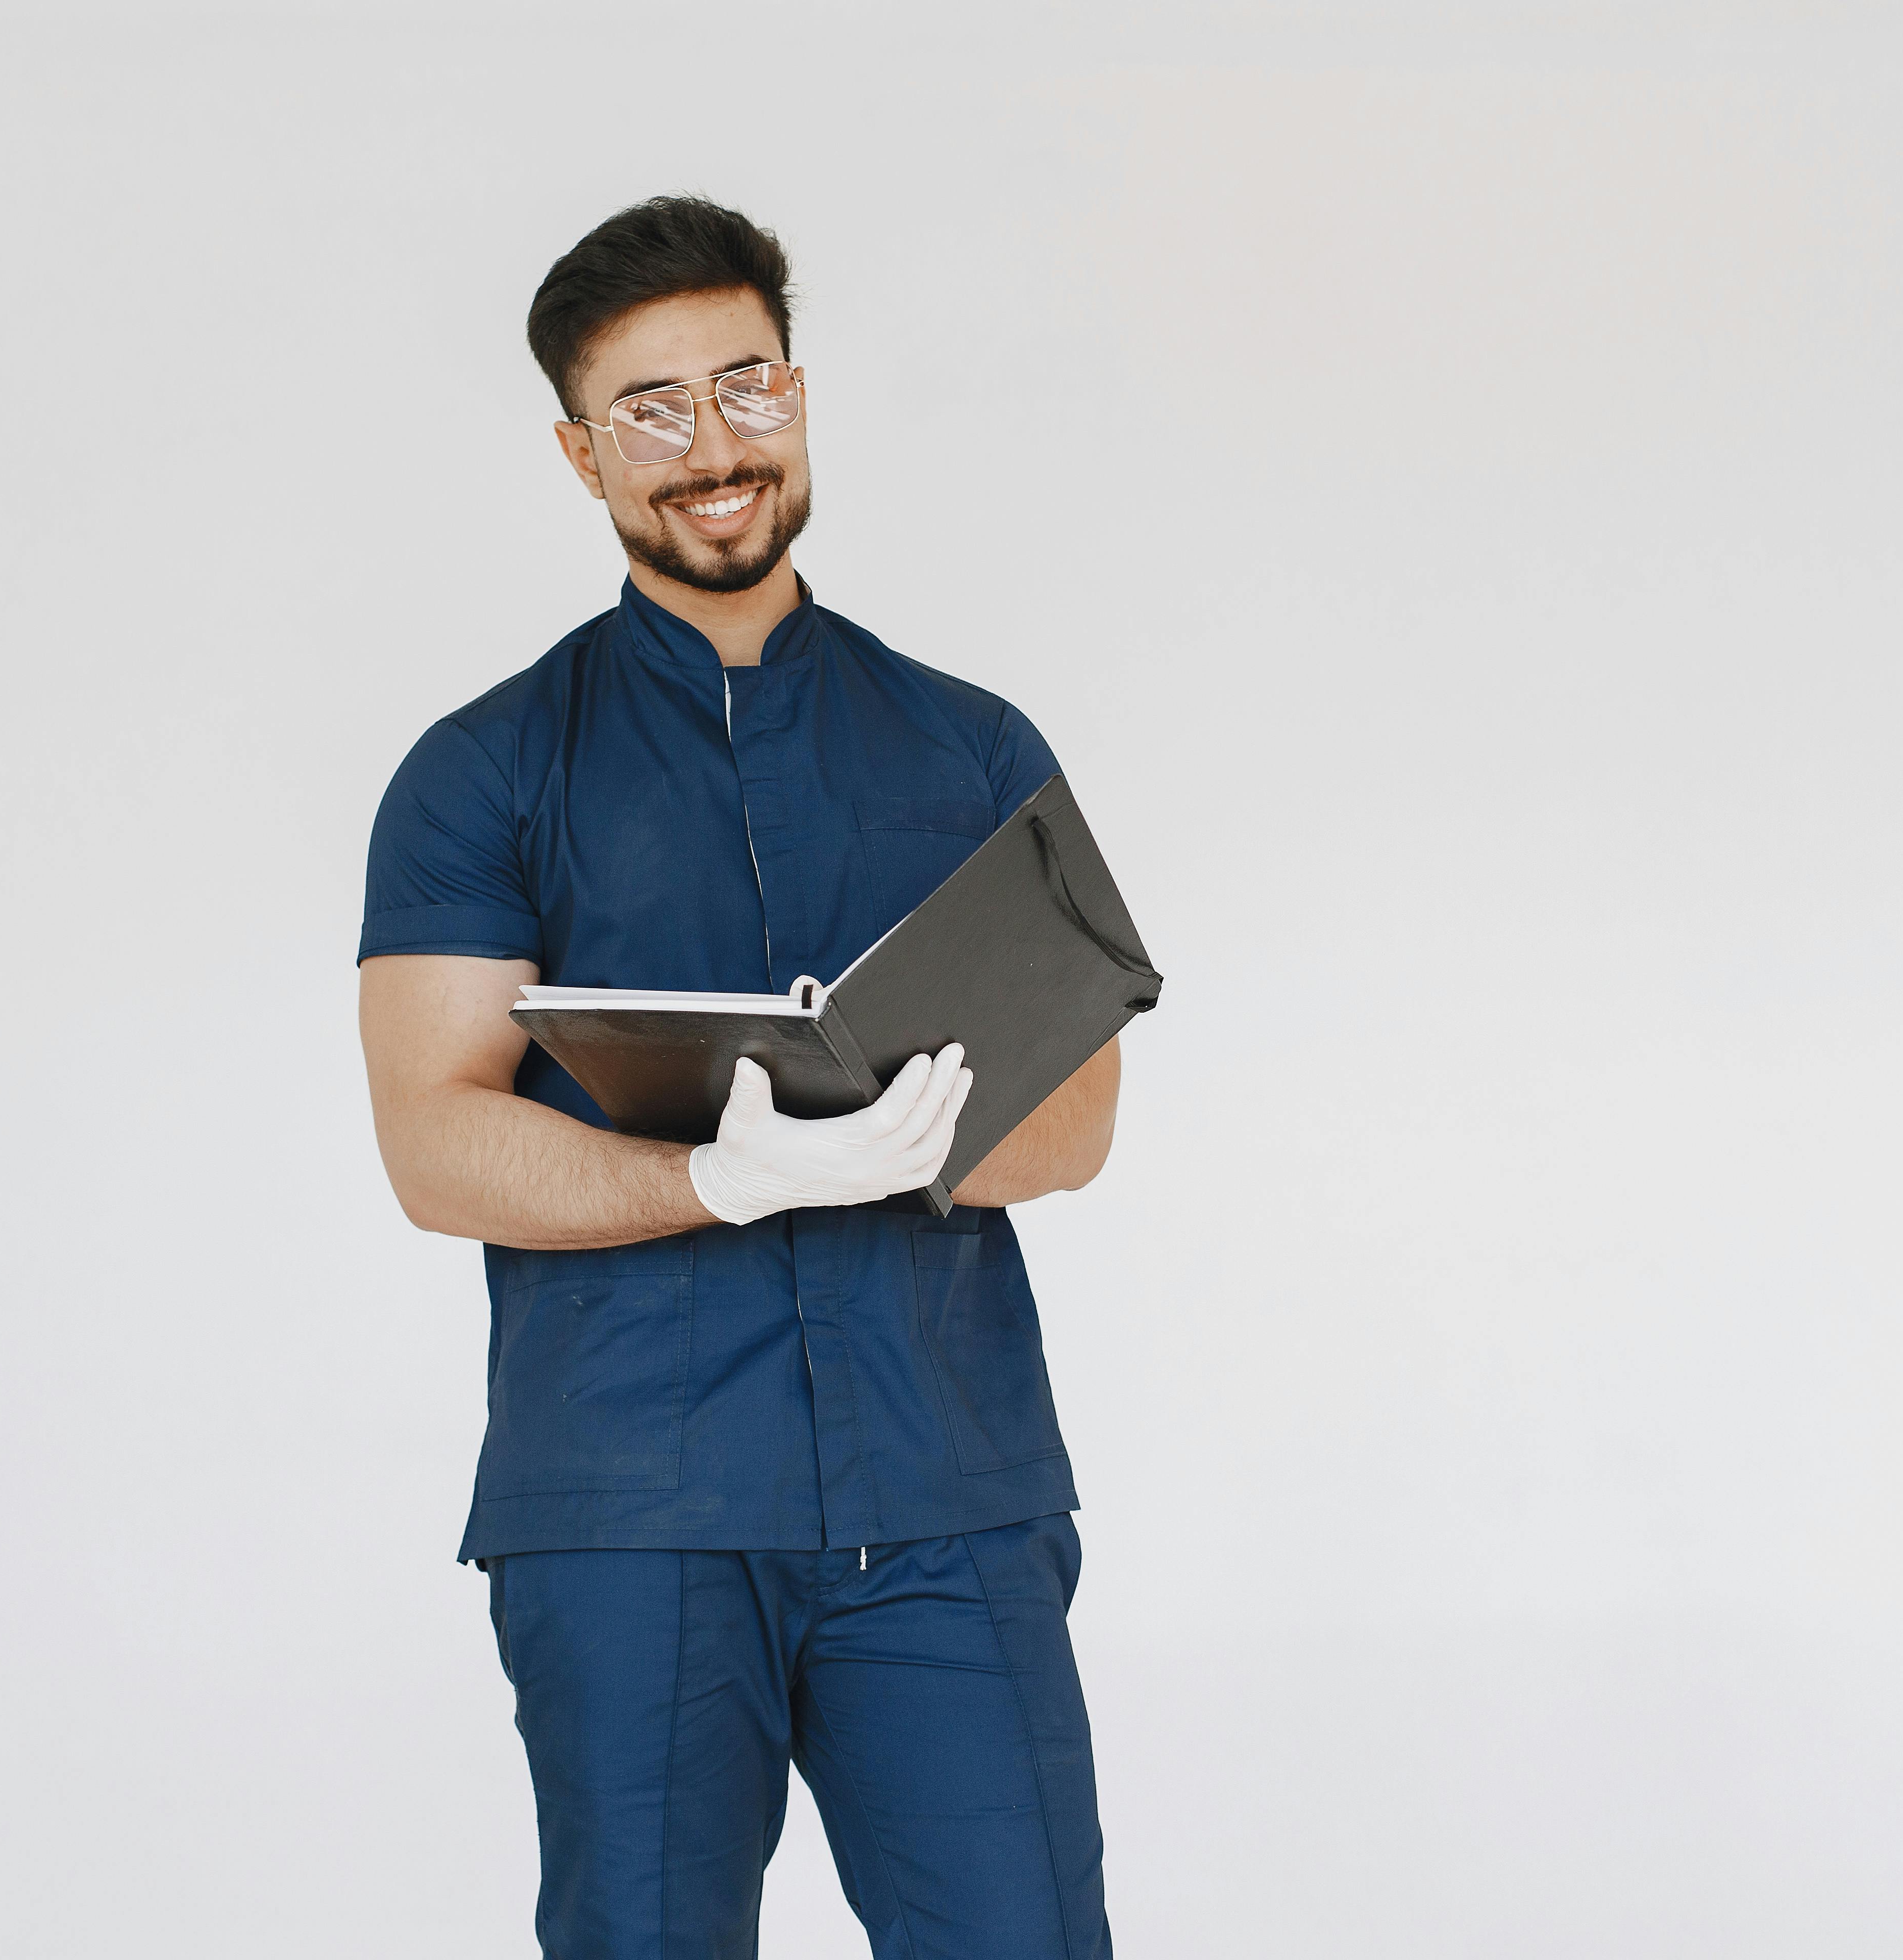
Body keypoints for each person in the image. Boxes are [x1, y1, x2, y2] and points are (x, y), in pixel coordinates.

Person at [354, 195, 1123, 1960]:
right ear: (578, 452)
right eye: (649, 409)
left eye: (744, 385)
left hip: (951, 1502)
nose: (712, 447)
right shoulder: (483, 774)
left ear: (797, 390)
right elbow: (435, 1142)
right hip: (635, 1513)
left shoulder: (972, 743)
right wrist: (714, 1182)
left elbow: (1080, 1116)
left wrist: (900, 1148)